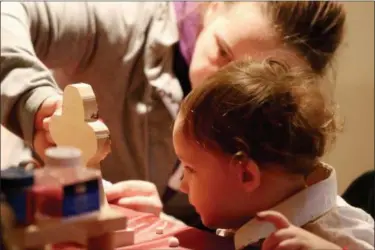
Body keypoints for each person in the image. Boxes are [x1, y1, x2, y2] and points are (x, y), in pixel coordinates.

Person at [1, 2, 346, 226]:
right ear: (213, 8)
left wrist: (163, 217)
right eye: (223, 53)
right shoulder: (125, 22)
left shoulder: (274, 125)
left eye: (252, 87)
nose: (221, 85)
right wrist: (34, 102)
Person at [173, 58, 374, 249]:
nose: (182, 185)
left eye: (190, 169)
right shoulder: (245, 214)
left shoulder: (342, 236)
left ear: (246, 175)